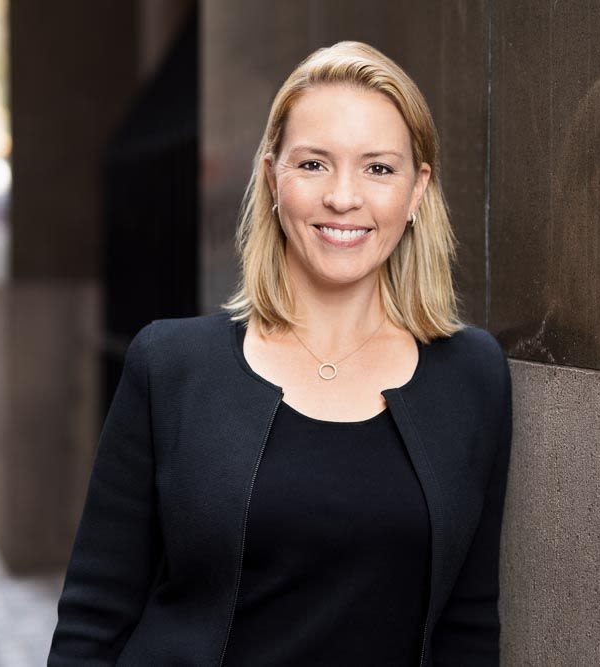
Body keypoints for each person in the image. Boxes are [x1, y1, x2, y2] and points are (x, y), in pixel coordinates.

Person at [47, 40, 513, 666]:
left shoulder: (472, 375)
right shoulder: (171, 365)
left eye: (378, 169)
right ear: (272, 178)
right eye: (314, 164)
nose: (343, 197)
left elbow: (469, 625)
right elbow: (92, 622)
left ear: (417, 190)